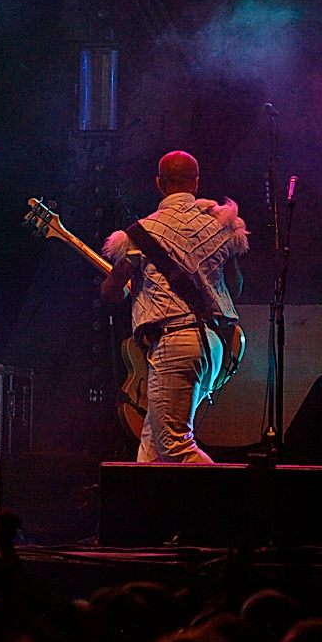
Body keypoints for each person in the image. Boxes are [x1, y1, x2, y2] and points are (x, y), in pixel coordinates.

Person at [100, 150, 247, 463]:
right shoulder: (220, 225)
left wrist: (126, 290)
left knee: (176, 447)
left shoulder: (141, 233)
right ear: (195, 183)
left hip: (174, 344)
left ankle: (228, 507)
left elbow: (112, 290)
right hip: (212, 344)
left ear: (158, 184)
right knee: (151, 451)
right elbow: (234, 288)